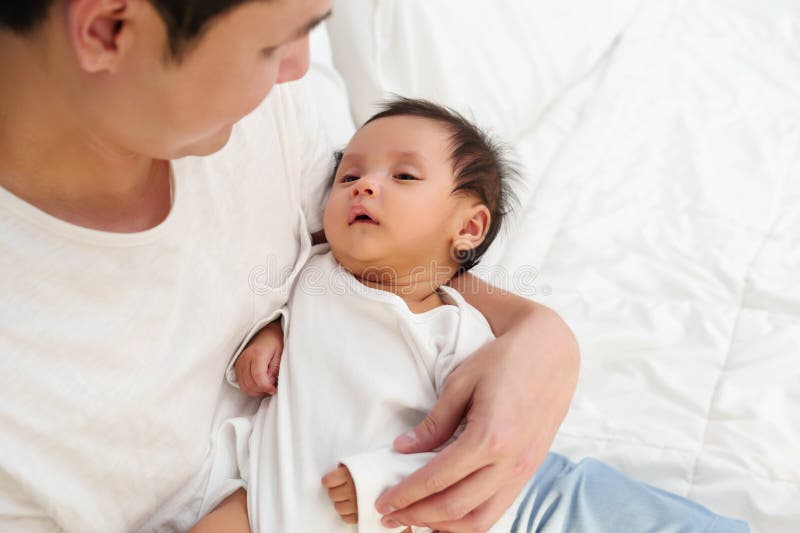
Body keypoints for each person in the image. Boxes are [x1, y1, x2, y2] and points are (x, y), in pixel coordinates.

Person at [0, 2, 580, 532]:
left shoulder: (266, 116)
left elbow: (384, 269)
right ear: (108, 29)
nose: (301, 68)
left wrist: (541, 335)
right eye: (268, 47)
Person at [196, 98, 749, 533]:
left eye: (404, 177)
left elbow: (471, 443)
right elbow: (287, 312)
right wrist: (269, 334)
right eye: (348, 176)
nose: (364, 184)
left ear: (467, 228)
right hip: (267, 505)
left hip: (383, 506)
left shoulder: (454, 327)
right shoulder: (311, 269)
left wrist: (381, 481)